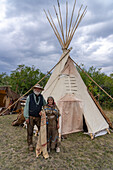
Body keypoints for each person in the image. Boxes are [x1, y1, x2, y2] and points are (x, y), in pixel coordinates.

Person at [24, 84, 46, 151]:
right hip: (30, 117)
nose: (37, 90)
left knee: (41, 130)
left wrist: (42, 111)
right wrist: (26, 117)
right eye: (36, 88)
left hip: (38, 117)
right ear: (34, 89)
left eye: (39, 89)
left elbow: (45, 106)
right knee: (30, 131)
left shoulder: (42, 97)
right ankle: (30, 144)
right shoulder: (29, 97)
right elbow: (26, 107)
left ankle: (42, 143)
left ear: (40, 90)